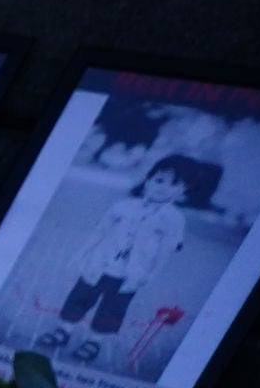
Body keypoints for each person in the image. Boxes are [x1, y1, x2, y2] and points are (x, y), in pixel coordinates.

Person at [42, 153, 219, 365]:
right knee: (81, 296)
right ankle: (64, 330)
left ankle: (94, 340)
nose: (162, 187)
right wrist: (83, 256)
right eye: (159, 180)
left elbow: (166, 250)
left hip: (130, 273)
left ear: (184, 191)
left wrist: (148, 275)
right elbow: (100, 231)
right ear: (148, 179)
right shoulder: (123, 206)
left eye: (173, 184)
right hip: (101, 263)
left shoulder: (173, 219)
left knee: (113, 307)